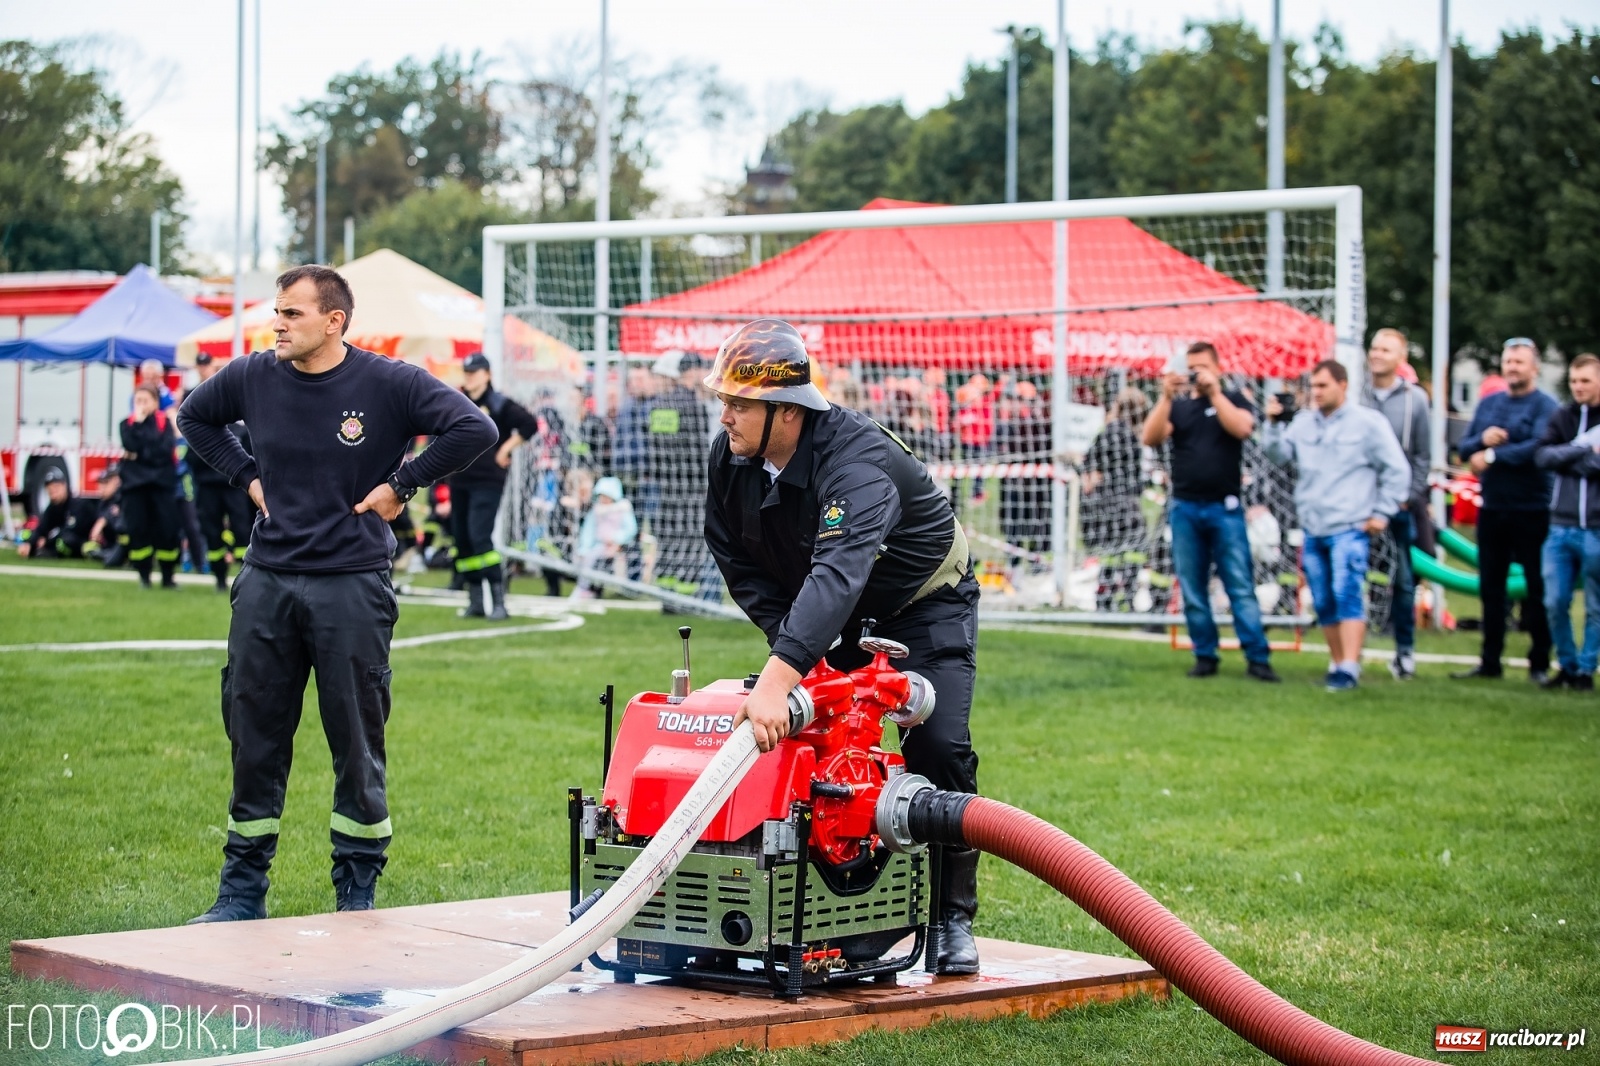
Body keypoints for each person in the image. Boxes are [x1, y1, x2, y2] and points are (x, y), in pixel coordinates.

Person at [178, 265, 496, 922]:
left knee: (355, 736)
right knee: (254, 730)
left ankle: (356, 891)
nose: (279, 323)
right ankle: (241, 892)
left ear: (334, 321)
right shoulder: (251, 375)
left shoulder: (387, 382)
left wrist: (401, 485)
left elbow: (474, 430)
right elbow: (194, 417)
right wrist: (246, 476)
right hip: (267, 579)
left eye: (292, 313)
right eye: (278, 311)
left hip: (351, 584)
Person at [702, 318, 984, 975]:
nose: (724, 416)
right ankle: (830, 908)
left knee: (939, 744)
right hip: (826, 610)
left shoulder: (857, 462)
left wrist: (778, 682)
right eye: (724, 400)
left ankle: (950, 918)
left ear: (787, 413)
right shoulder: (733, 457)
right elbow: (734, 556)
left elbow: (839, 573)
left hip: (920, 608)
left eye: (739, 403)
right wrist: (793, 651)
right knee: (814, 747)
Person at [1265, 360, 1411, 691]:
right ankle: (1337, 663)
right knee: (1323, 599)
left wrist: (1382, 512)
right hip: (1314, 527)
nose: (1316, 393)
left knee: (1347, 593)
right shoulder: (1302, 424)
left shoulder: (1368, 423)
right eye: (1313, 386)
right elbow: (1277, 455)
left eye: (1323, 386)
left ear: (1342, 385)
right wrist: (1272, 423)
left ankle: (1349, 667)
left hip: (1350, 527)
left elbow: (1397, 470)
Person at [1141, 342, 1279, 682]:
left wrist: (1215, 393)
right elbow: (1150, 437)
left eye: (1202, 366)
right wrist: (1166, 397)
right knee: (1192, 586)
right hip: (1185, 507)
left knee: (1239, 584)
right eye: (1192, 367)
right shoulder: (1180, 406)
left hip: (1225, 508)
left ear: (1218, 367)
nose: (1196, 374)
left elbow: (1244, 428)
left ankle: (1257, 657)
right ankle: (1205, 654)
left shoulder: (1233, 398)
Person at [1453, 338, 1559, 683]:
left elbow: (1539, 448)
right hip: (1494, 508)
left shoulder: (1546, 405)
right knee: (1491, 588)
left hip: (1533, 510)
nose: (1512, 367)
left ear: (1534, 368)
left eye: (1519, 362)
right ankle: (1490, 662)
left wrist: (1496, 455)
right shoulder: (1489, 404)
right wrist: (1483, 441)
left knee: (1537, 588)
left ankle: (1540, 662)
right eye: (1508, 361)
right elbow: (1465, 447)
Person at [1360, 328, 1432, 680]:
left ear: (1400, 357)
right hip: (1356, 505)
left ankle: (1404, 653)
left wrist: (1406, 497)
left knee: (1403, 581)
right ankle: (1348, 652)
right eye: (1374, 347)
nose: (1377, 354)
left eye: (1386, 349)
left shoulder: (1415, 400)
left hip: (1398, 508)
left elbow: (1422, 456)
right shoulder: (1356, 395)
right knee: (1352, 576)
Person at [449, 351, 540, 620]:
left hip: (487, 480)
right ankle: (475, 600)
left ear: (487, 375)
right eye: (466, 373)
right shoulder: (457, 400)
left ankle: (499, 601)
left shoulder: (499, 403)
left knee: (480, 537)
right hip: (460, 478)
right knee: (462, 540)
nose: (469, 378)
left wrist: (506, 449)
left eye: (474, 373)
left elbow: (529, 424)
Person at [1532, 353, 1600, 690]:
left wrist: (1569, 457)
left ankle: (1587, 670)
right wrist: (1583, 449)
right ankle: (1568, 666)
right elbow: (1544, 456)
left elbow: (1588, 466)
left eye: (1585, 380)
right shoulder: (1563, 416)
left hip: (1596, 528)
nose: (1578, 387)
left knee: (1595, 604)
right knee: (1554, 600)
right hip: (1560, 526)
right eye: (1574, 381)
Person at [1083, 388, 1151, 611]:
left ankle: (1107, 599)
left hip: (1110, 500)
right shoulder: (1127, 433)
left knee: (1113, 552)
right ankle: (1123, 598)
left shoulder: (1113, 430)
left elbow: (1090, 464)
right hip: (1123, 500)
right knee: (1128, 550)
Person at [186, 391, 256, 591]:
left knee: (243, 531)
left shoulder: (242, 431)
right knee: (211, 532)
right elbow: (191, 458)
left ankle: (247, 579)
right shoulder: (204, 428)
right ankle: (219, 578)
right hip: (207, 489)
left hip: (235, 488)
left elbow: (253, 459)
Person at [120, 384, 182, 588]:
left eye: (145, 401)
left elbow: (162, 451)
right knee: (138, 530)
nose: (141, 405)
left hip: (162, 486)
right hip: (135, 488)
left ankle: (167, 577)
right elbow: (131, 445)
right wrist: (138, 426)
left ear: (156, 403)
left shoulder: (165, 423)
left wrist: (140, 454)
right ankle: (144, 576)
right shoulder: (126, 424)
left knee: (167, 530)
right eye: (138, 401)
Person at [572, 475, 638, 598]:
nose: (604, 499)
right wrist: (585, 548)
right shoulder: (596, 511)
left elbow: (630, 529)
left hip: (617, 545)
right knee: (588, 557)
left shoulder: (623, 509)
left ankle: (589, 588)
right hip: (598, 545)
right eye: (602, 496)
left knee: (600, 559)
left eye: (606, 496)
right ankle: (584, 587)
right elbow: (588, 531)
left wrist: (616, 539)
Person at [18, 468, 99, 559]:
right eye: (50, 490)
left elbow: (71, 529)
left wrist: (47, 540)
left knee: (65, 540)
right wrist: (30, 543)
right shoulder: (53, 507)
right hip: (65, 536)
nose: (53, 493)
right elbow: (42, 528)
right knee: (28, 534)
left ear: (64, 486)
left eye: (56, 488)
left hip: (84, 539)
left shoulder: (78, 505)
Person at [88, 463, 128, 567]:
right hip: (112, 543)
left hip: (125, 542)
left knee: (110, 562)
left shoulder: (122, 497)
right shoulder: (103, 502)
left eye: (105, 483)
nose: (101, 488)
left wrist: (104, 520)